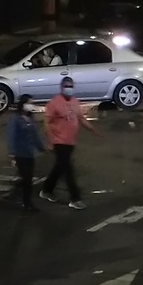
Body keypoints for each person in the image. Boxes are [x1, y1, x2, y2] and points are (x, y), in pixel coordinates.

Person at [36, 76, 91, 209]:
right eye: (66, 86)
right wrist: (50, 141)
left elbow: (81, 118)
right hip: (59, 141)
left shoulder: (75, 102)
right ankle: (75, 198)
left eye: (71, 86)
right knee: (68, 169)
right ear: (61, 87)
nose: (69, 88)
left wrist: (95, 131)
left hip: (70, 141)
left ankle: (47, 190)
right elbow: (47, 123)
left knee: (60, 167)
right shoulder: (54, 103)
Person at [6, 95, 46, 211]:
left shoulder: (30, 120)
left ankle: (22, 193)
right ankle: (27, 202)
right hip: (20, 153)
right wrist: (12, 153)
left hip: (29, 154)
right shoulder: (15, 119)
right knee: (27, 178)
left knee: (27, 178)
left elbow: (35, 136)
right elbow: (11, 136)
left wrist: (41, 148)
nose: (31, 105)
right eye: (29, 103)